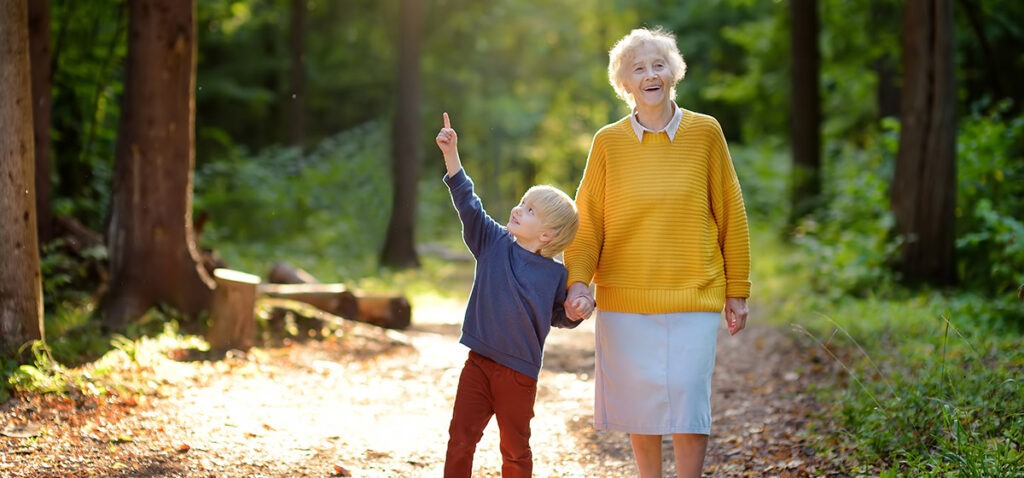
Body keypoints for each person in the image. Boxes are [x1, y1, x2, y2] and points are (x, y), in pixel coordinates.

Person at [563, 27, 751, 478]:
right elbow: (588, 221)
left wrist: (738, 290)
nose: (650, 74)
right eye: (638, 68)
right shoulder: (607, 143)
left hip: (695, 291)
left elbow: (731, 211)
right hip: (625, 299)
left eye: (659, 64)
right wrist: (577, 283)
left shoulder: (706, 132)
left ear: (674, 73)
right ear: (624, 83)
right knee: (639, 406)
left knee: (689, 397)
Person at [435, 112, 586, 478]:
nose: (518, 209)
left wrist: (575, 311)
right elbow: (469, 205)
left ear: (547, 235)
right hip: (478, 363)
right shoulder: (492, 241)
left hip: (519, 374)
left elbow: (557, 315)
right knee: (460, 438)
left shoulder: (554, 273)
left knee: (515, 448)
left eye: (530, 210)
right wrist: (451, 155)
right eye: (522, 202)